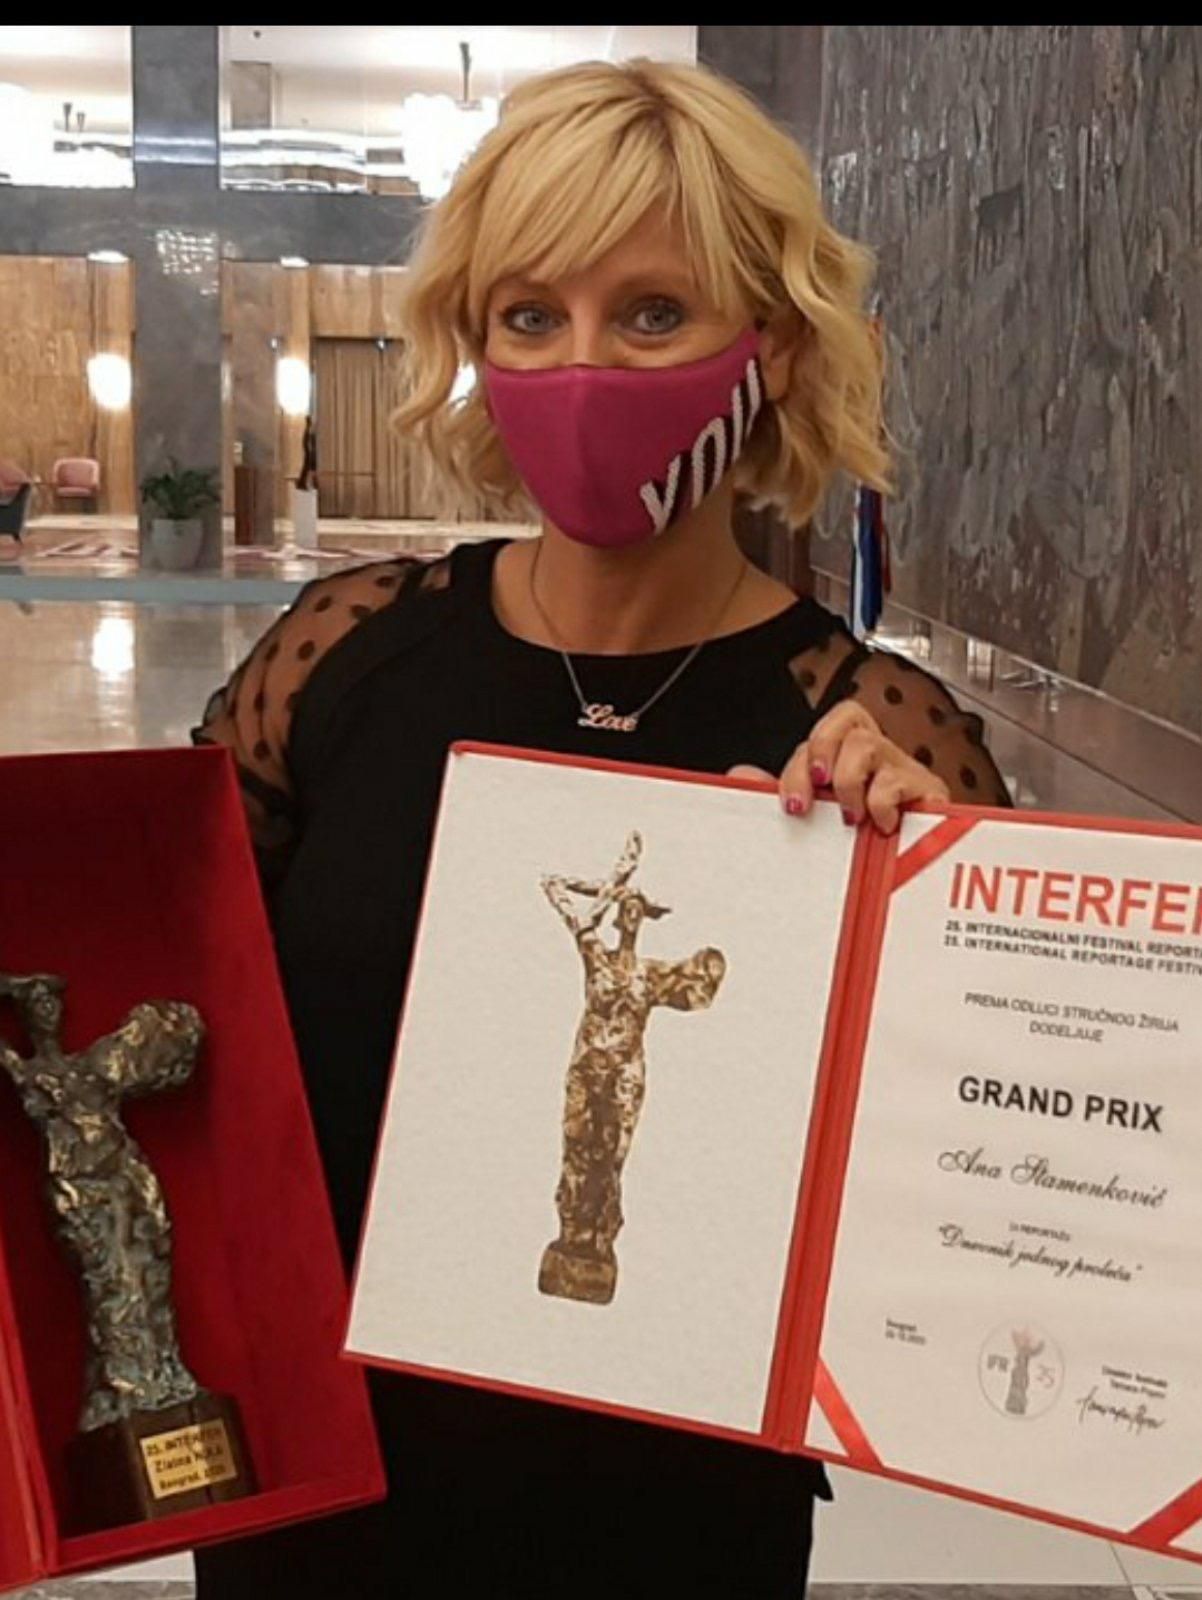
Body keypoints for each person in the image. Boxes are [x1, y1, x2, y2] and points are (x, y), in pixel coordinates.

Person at [193, 56, 1010, 1600]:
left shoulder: (871, 732)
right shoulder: (342, 656)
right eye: (528, 315)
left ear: (769, 346)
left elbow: (966, 1181)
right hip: (325, 1466)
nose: (580, 367)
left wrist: (910, 903)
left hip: (668, 1501)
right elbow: (164, 993)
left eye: (649, 313)